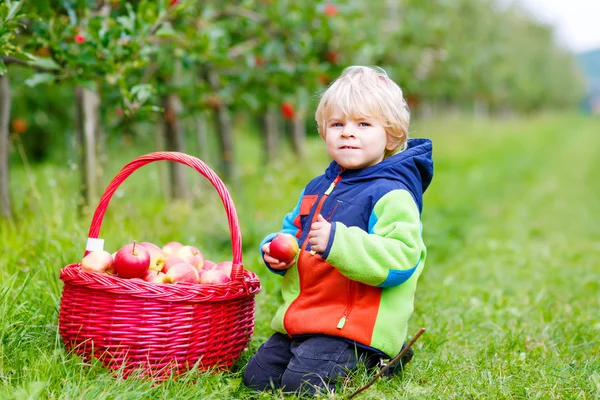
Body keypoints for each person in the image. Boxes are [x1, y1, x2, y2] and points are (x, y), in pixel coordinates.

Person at [243, 66, 434, 395]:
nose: (348, 132)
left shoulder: (393, 194)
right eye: (337, 124)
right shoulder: (318, 187)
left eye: (363, 124)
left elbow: (402, 258)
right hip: (307, 317)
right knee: (256, 378)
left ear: (390, 135)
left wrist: (338, 242)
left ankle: (382, 357)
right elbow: (293, 231)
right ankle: (316, 350)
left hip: (354, 326)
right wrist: (276, 247)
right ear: (323, 132)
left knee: (300, 386)